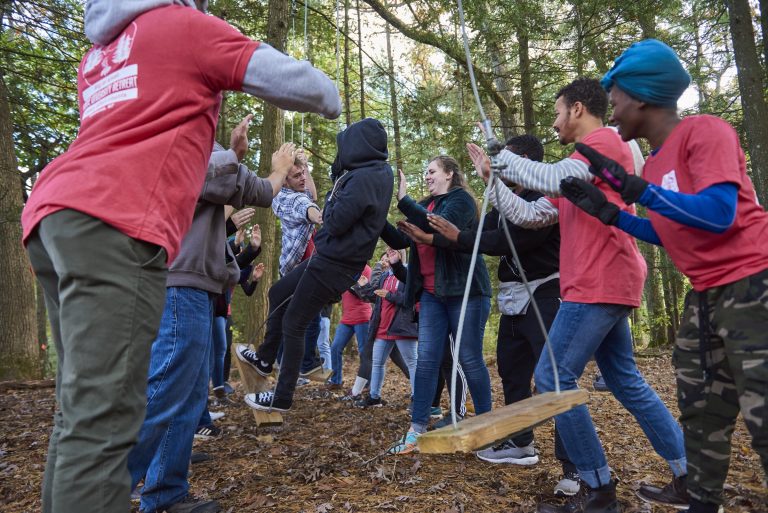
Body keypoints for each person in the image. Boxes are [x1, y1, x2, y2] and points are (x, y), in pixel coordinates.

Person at [22, 2, 340, 511]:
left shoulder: (100, 53)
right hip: (115, 227)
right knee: (108, 419)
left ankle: (163, 492)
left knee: (85, 413)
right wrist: (324, 106)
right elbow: (312, 89)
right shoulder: (181, 24)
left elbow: (147, 137)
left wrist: (224, 150)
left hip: (56, 213)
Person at [559, 39, 768, 513]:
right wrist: (616, 217)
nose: (611, 114)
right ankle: (699, 500)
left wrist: (638, 191)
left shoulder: (704, 132)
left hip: (753, 286)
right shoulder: (652, 163)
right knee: (701, 414)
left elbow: (717, 214)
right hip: (705, 296)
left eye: (614, 103)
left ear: (641, 97)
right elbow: (670, 233)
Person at [467, 78, 687, 513]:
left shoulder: (605, 144)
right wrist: (494, 180)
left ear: (579, 110)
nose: (553, 122)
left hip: (599, 280)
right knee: (625, 379)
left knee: (552, 380)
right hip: (600, 281)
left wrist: (499, 152)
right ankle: (689, 475)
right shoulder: (575, 169)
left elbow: (545, 176)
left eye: (557, 112)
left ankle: (597, 488)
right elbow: (529, 215)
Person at [127, 131, 296, 513]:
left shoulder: (210, 152)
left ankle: (165, 494)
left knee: (187, 393)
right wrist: (279, 169)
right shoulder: (184, 144)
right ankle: (100, 493)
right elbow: (261, 190)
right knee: (165, 388)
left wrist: (232, 155)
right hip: (178, 282)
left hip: (196, 285)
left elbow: (213, 202)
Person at [429, 134, 578, 496]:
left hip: (545, 292)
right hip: (513, 296)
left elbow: (510, 241)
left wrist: (458, 237)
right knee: (512, 372)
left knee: (555, 381)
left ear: (524, 160)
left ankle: (574, 466)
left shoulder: (543, 197)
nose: (496, 166)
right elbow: (491, 234)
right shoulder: (503, 199)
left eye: (505, 159)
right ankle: (520, 441)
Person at [235, 118, 394, 413]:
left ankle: (282, 397)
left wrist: (331, 195)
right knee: (279, 292)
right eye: (295, 174)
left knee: (294, 323)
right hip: (329, 259)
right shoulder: (376, 173)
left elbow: (331, 221)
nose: (342, 152)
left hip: (334, 264)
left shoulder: (362, 179)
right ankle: (266, 358)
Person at [382, 157, 493, 455]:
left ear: (449, 174)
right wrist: (376, 215)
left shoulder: (462, 200)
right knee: (428, 359)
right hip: (431, 295)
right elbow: (402, 239)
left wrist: (404, 200)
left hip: (466, 292)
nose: (427, 176)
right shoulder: (423, 204)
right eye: (426, 172)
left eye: (431, 171)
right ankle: (416, 430)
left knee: (469, 357)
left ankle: (486, 428)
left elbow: (443, 228)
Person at [355, 248, 418, 408]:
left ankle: (417, 397)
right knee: (377, 362)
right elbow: (376, 297)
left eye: (395, 249)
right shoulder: (385, 275)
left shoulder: (409, 272)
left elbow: (412, 299)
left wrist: (390, 295)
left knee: (412, 362)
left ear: (403, 253)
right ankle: (374, 397)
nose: (390, 252)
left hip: (402, 326)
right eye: (389, 250)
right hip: (382, 327)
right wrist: (364, 286)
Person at [327, 265, 373, 387]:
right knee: (335, 348)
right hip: (347, 318)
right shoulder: (344, 269)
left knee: (364, 351)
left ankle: (368, 382)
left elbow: (365, 293)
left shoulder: (366, 270)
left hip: (362, 317)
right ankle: (336, 381)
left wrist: (348, 282)